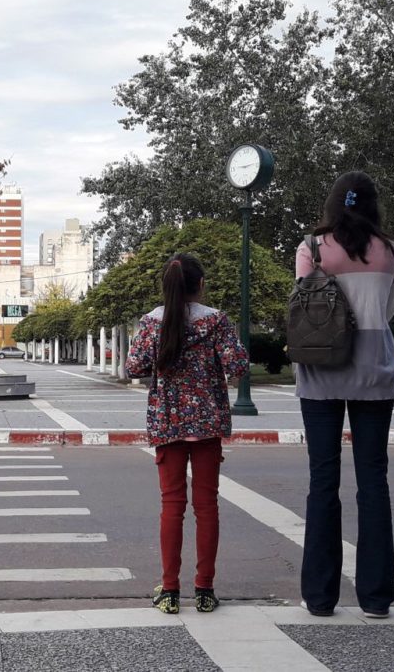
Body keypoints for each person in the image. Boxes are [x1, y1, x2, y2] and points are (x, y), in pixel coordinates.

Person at [295, 171, 394, 619]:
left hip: (321, 369)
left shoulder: (312, 247)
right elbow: (389, 308)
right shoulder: (392, 251)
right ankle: (376, 598)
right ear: (374, 205)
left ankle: (320, 598)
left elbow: (302, 302)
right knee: (373, 481)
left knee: (324, 481)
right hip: (375, 368)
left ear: (333, 204)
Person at [126, 253, 249, 615]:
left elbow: (133, 366)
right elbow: (238, 365)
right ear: (201, 286)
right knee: (207, 506)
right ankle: (205, 590)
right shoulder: (217, 322)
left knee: (172, 507)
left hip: (168, 423)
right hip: (208, 424)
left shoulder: (152, 323)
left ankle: (169, 591)